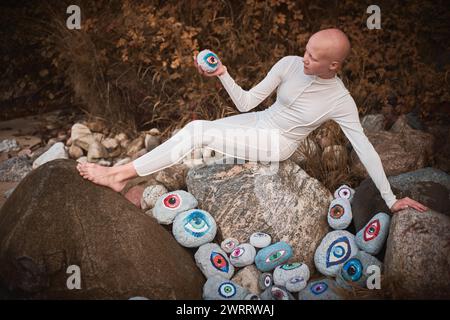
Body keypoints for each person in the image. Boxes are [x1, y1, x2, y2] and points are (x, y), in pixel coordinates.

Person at [77, 28, 428, 214]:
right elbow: (247, 103)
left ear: (333, 66)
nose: (304, 58)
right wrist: (223, 73)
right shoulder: (290, 63)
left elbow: (364, 147)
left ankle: (119, 174)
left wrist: (390, 197)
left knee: (198, 132)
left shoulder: (340, 100)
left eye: (313, 57)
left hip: (278, 143)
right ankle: (123, 174)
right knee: (194, 130)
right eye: (305, 50)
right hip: (259, 120)